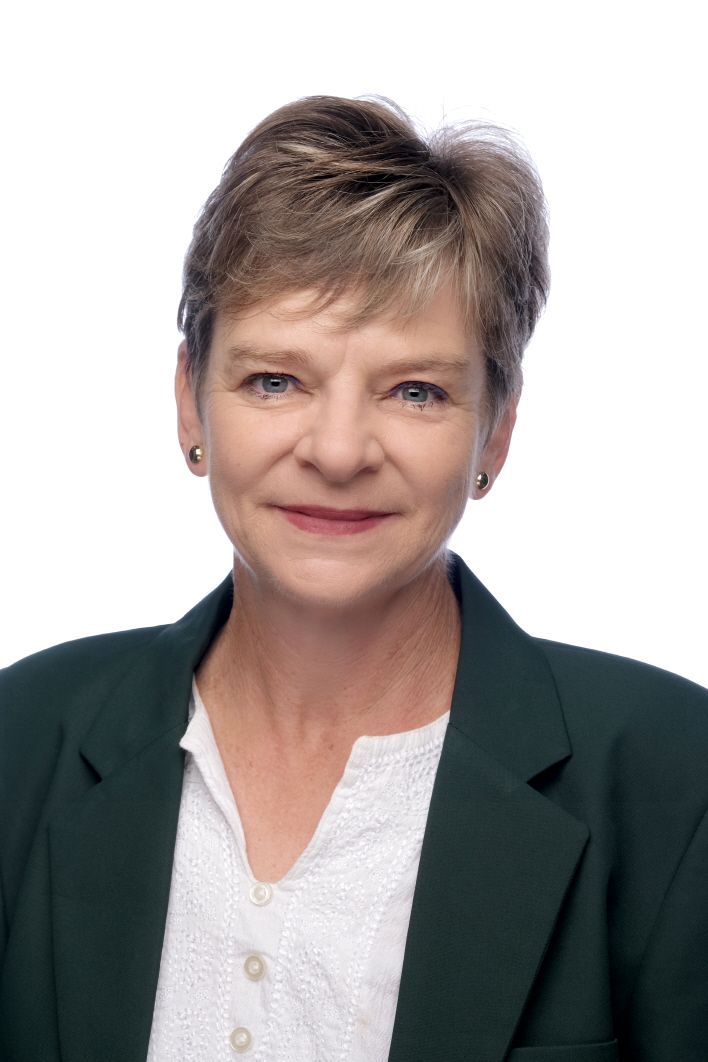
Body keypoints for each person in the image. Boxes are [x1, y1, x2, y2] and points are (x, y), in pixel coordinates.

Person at [0, 94, 706, 1062]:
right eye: (275, 380)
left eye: (415, 391)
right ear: (190, 403)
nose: (337, 452)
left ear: (496, 431)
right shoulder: (18, 739)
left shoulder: (677, 777)